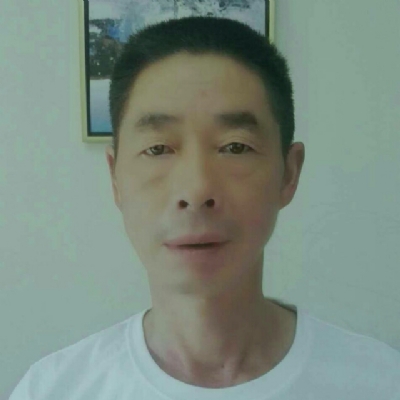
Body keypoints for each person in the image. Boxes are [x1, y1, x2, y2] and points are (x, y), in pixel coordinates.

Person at [9, 16, 400, 400]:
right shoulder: (52, 389)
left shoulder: (381, 383)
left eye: (235, 147)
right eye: (157, 149)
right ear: (115, 178)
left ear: (288, 173)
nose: (196, 190)